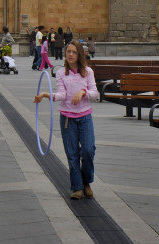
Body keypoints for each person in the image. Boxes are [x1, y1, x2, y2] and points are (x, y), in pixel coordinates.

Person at [34, 41, 99, 200]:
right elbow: (62, 95)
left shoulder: (87, 72)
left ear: (79, 55)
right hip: (67, 118)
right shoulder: (62, 73)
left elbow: (95, 93)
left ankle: (86, 181)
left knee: (88, 150)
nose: (70, 54)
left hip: (84, 117)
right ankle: (77, 187)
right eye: (68, 51)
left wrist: (83, 92)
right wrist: (46, 95)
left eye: (74, 52)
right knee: (72, 154)